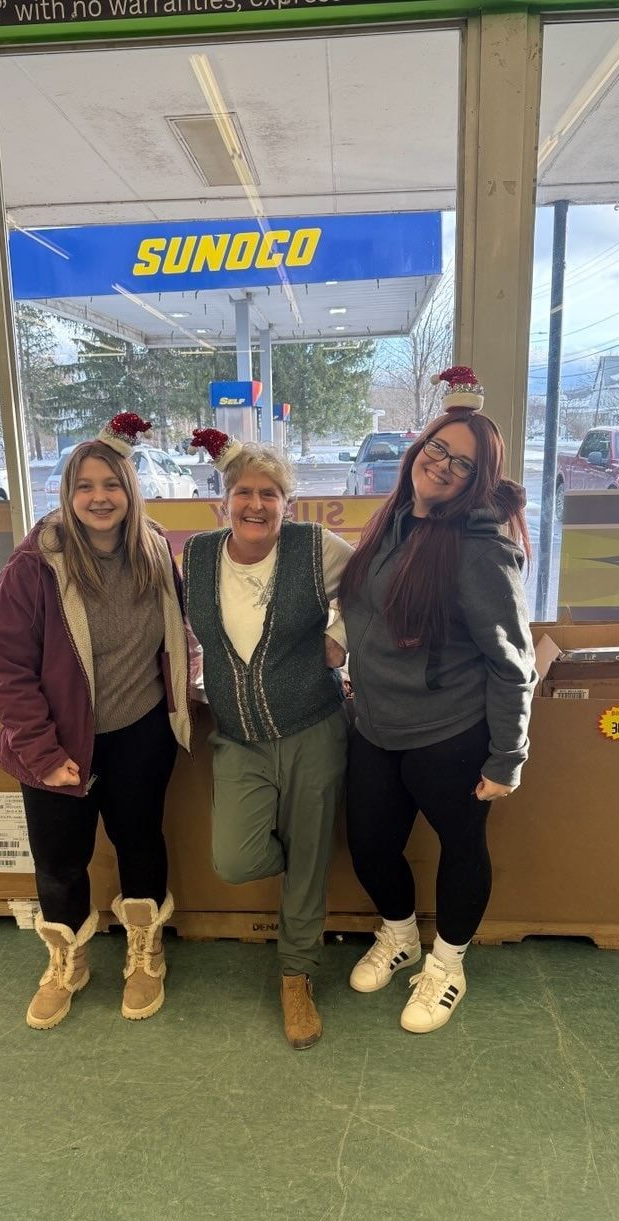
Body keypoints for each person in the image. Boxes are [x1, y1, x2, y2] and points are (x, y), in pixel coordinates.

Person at [338, 367, 536, 1033]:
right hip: (374, 725)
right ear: (418, 448)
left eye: (464, 464)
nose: (444, 466)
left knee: (460, 846)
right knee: (369, 844)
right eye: (438, 449)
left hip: (449, 735)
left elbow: (512, 661)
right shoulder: (391, 519)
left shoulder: (479, 550)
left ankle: (447, 964)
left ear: (479, 481)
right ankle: (399, 935)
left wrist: (507, 756)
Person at [0, 413, 192, 1030]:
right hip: (54, 741)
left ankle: (143, 950)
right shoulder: (32, 569)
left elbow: (175, 636)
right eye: (85, 486)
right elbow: (8, 671)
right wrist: (45, 753)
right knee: (59, 860)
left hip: (139, 732)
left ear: (131, 491)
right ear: (67, 494)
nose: (99, 498)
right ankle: (67, 961)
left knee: (140, 843)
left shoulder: (154, 551)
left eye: (112, 485)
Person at [183, 429, 353, 1050]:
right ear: (224, 500)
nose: (256, 504)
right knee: (235, 859)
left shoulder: (314, 548)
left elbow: (373, 586)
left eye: (270, 494)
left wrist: (341, 638)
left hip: (312, 725)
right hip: (238, 736)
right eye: (244, 492)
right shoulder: (199, 556)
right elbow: (181, 628)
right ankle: (298, 870)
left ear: (288, 502)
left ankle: (296, 976)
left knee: (308, 863)